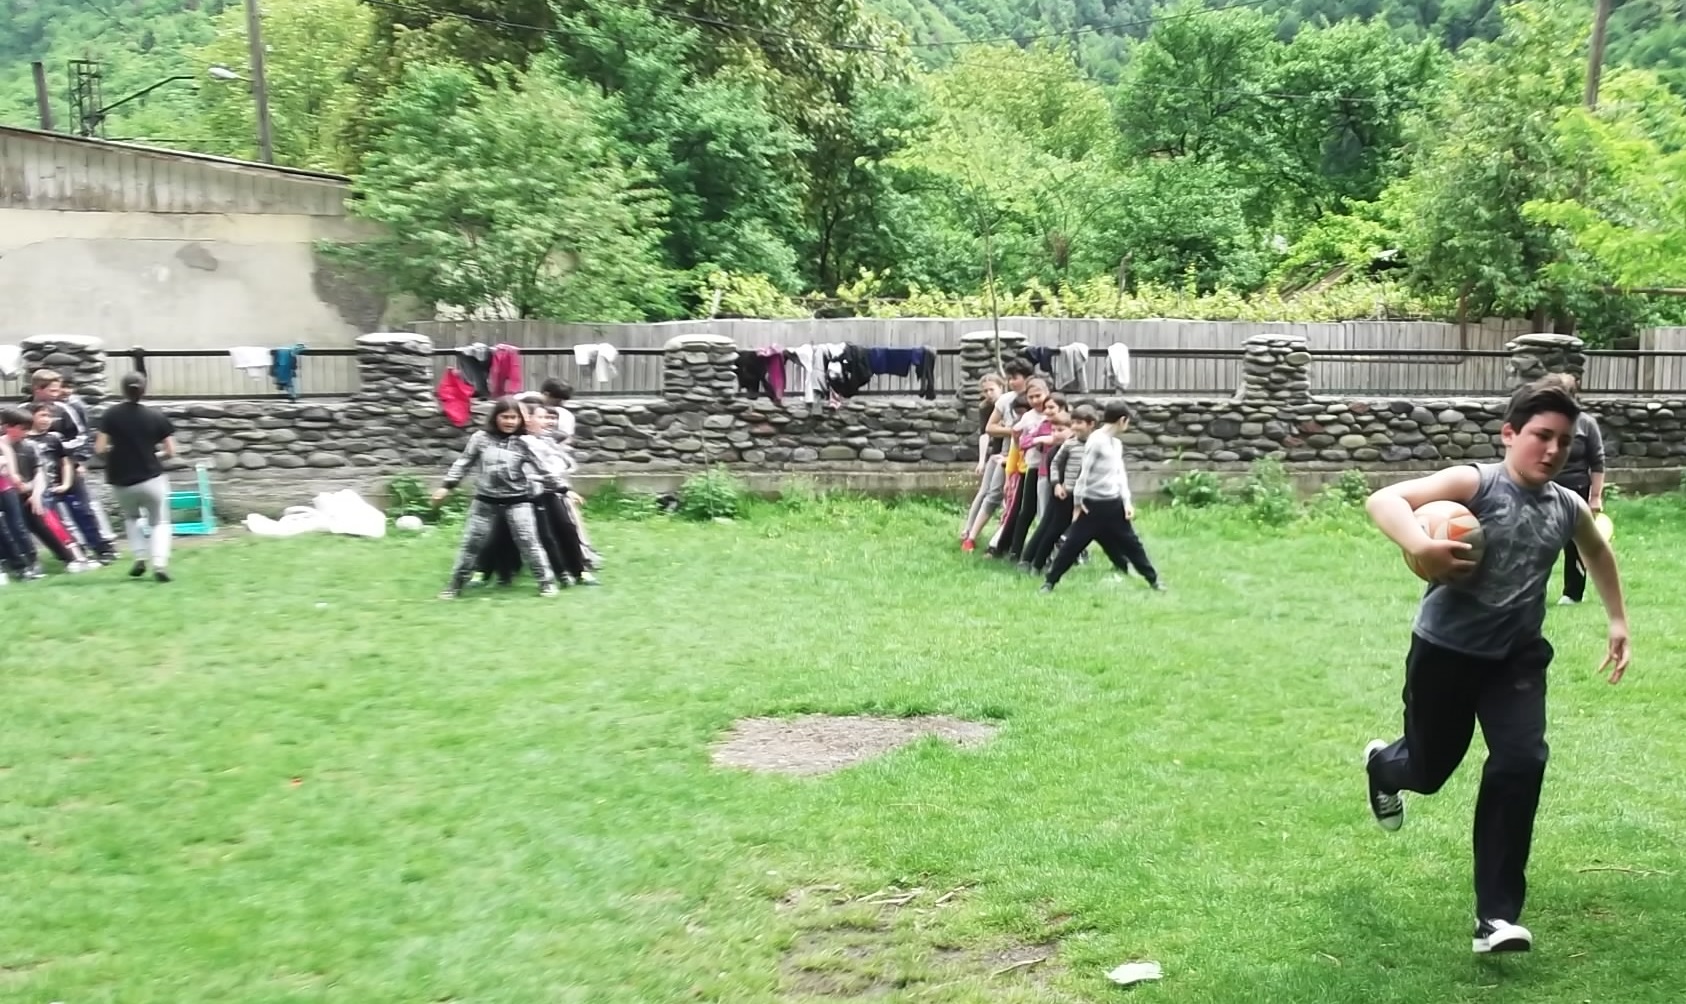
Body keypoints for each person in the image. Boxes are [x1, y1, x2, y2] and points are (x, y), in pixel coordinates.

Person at [1360, 377, 1630, 955]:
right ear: (1509, 434)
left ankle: (1497, 917)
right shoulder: (1476, 483)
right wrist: (1421, 546)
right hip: (1445, 653)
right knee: (1429, 769)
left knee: (1521, 761)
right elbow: (1384, 500)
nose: (1553, 450)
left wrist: (1617, 621)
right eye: (1541, 436)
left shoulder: (1566, 506)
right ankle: (1384, 767)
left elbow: (1597, 551)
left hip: (1516, 659)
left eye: (1564, 441)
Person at [433, 398, 563, 599]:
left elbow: (543, 468)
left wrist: (563, 489)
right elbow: (464, 462)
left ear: (520, 420)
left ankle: (546, 583)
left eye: (514, 417)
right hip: (485, 501)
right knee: (471, 544)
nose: (510, 422)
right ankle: (455, 586)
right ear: (495, 417)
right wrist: (447, 486)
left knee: (529, 542)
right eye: (505, 417)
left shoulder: (525, 442)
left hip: (518, 501)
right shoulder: (480, 438)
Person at [1039, 401, 1162, 593]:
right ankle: (1049, 582)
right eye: (1127, 421)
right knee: (1072, 546)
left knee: (1132, 544)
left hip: (1114, 506)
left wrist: (1127, 502)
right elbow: (1084, 474)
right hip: (1092, 507)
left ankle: (1153, 580)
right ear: (1122, 420)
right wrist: (1078, 503)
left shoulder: (1116, 444)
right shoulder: (1096, 441)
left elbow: (1120, 474)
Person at [96, 372, 179, 582]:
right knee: (159, 521)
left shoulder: (110, 415)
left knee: (132, 518)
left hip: (121, 478)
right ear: (144, 389)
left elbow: (100, 448)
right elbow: (171, 451)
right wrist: (155, 455)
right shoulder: (156, 416)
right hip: (151, 477)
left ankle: (140, 557)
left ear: (122, 389)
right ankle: (159, 564)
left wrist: (116, 455)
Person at [1540, 373, 1605, 605]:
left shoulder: (1586, 423)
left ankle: (1573, 593)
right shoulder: (1539, 421)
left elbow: (1597, 462)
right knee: (1539, 541)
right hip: (1543, 489)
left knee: (1576, 544)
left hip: (1576, 490)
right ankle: (1533, 590)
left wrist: (1595, 497)